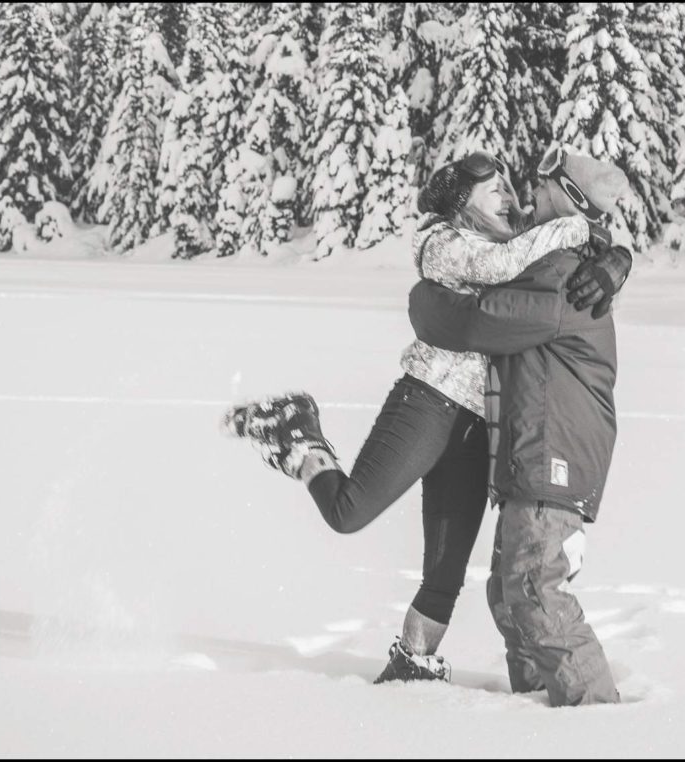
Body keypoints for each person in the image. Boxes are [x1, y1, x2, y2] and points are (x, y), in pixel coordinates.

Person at [223, 148, 632, 686]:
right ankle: (299, 435)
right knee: (348, 512)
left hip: (476, 426)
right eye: (497, 192)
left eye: (513, 189)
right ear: (464, 205)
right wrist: (587, 235)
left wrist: (616, 254)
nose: (513, 198)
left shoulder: (530, 250)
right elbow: (495, 287)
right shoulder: (450, 241)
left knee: (448, 571)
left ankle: (414, 660)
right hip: (431, 400)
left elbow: (549, 254)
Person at [406, 143, 632, 707]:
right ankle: (541, 710)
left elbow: (485, 324)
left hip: (551, 455)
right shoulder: (558, 255)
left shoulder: (560, 271)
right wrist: (618, 254)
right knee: (511, 596)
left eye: (543, 183)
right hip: (531, 456)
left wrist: (425, 306)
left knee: (534, 591)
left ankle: (596, 720)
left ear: (567, 198)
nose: (528, 189)